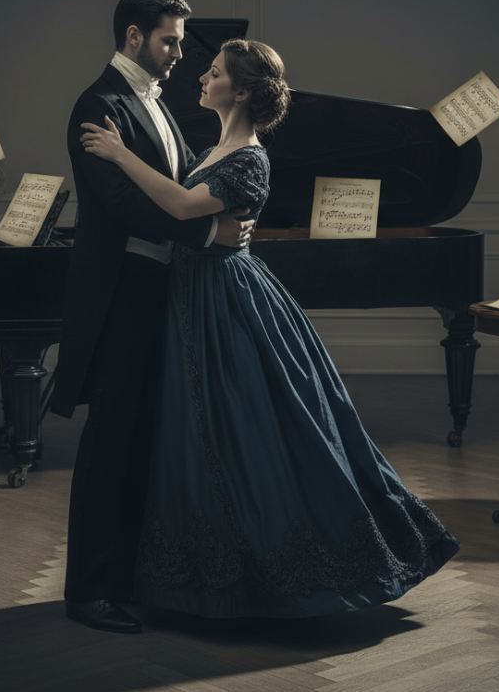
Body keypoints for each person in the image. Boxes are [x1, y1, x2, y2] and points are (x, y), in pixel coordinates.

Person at [79, 38, 460, 619]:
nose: (202, 79)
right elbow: (181, 204)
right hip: (193, 292)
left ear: (243, 89)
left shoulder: (250, 157)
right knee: (202, 429)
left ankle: (294, 570)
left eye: (213, 73)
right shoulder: (210, 146)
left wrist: (118, 154)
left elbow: (180, 208)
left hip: (225, 299)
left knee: (253, 424)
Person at [49, 0, 254, 634]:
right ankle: (87, 591)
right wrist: (206, 234)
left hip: (153, 289)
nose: (178, 54)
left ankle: (125, 578)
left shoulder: (156, 107)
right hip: (123, 294)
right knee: (114, 438)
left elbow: (180, 185)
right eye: (169, 40)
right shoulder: (99, 104)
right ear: (133, 37)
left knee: (141, 436)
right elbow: (120, 203)